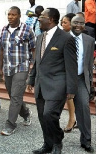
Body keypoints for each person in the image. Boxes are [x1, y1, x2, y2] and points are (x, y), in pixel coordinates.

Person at [27, 8, 78, 154]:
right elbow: (38, 61)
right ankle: (47, 144)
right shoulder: (40, 37)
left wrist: (71, 89)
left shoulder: (66, 38)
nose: (38, 19)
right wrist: (31, 79)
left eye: (42, 16)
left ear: (50, 19)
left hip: (57, 85)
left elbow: (71, 66)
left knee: (50, 114)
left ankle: (57, 141)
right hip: (41, 85)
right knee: (43, 117)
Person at [0, 6, 35, 136]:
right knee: (13, 95)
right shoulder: (3, 30)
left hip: (22, 67)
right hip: (8, 68)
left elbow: (34, 49)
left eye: (13, 14)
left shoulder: (27, 30)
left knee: (15, 96)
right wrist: (0, 68)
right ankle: (26, 113)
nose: (10, 17)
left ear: (19, 16)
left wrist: (33, 67)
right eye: (9, 14)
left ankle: (10, 125)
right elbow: (2, 50)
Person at [70, 15, 95, 153]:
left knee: (84, 107)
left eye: (81, 23)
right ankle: (52, 141)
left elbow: (89, 63)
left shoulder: (89, 40)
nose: (78, 25)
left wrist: (90, 84)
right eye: (75, 22)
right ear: (70, 24)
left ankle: (86, 141)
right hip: (62, 78)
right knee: (51, 110)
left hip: (80, 79)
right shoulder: (62, 38)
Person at [60, 13, 79, 134]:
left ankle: (74, 120)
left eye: (65, 22)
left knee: (72, 97)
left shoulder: (80, 36)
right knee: (69, 96)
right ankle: (72, 119)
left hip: (77, 71)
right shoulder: (63, 36)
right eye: (61, 22)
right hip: (67, 70)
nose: (62, 24)